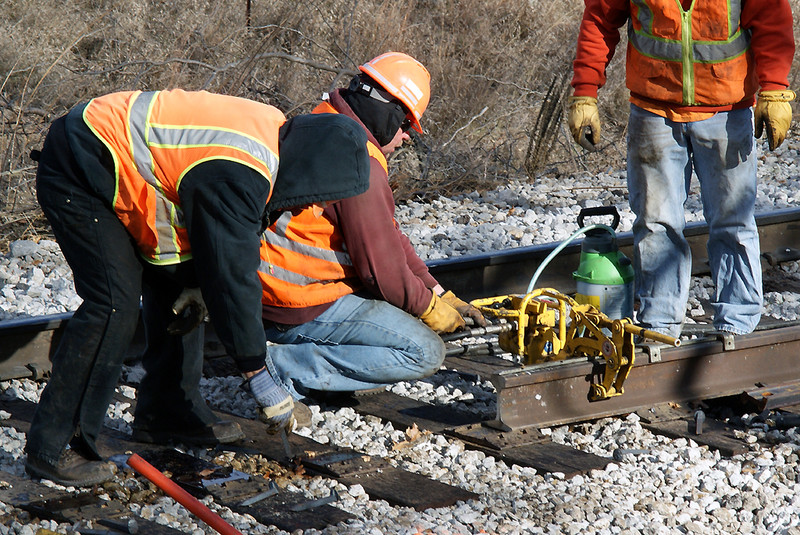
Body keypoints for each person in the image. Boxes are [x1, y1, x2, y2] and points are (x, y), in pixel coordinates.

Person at [25, 88, 371, 487]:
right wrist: (257, 372)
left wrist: (198, 284)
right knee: (112, 304)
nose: (305, 206)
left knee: (181, 286)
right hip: (80, 162)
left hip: (124, 163)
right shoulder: (240, 167)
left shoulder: (273, 135)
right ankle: (54, 448)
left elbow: (225, 245)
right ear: (311, 168)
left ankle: (167, 413)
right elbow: (232, 276)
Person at [257, 52, 486, 403]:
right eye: (406, 124)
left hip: (274, 290)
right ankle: (284, 367)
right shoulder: (357, 160)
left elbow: (388, 236)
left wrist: (438, 292)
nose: (408, 136)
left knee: (401, 307)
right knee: (424, 351)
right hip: (298, 302)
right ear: (388, 112)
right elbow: (381, 271)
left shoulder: (323, 120)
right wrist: (428, 309)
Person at [567, 0, 795, 338]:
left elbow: (771, 19)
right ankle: (659, 325)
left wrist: (774, 88)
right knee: (656, 224)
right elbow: (600, 18)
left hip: (726, 112)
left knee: (733, 222)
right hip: (653, 110)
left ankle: (738, 324)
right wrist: (585, 92)